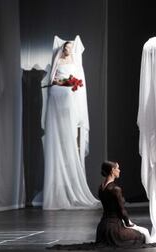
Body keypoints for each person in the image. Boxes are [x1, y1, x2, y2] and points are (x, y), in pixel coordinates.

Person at [48, 161, 156, 250]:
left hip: (102, 228)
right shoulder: (115, 189)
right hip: (114, 229)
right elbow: (122, 211)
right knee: (142, 235)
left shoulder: (101, 187)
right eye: (117, 168)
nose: (119, 170)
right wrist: (129, 224)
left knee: (141, 233)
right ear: (112, 170)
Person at [42, 36, 99, 210]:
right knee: (56, 138)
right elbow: (52, 80)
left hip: (67, 99)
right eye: (66, 47)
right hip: (57, 97)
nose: (67, 49)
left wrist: (71, 83)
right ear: (62, 48)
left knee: (69, 138)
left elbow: (78, 84)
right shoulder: (57, 60)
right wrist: (64, 82)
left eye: (69, 47)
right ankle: (55, 190)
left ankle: (70, 186)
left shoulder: (75, 61)